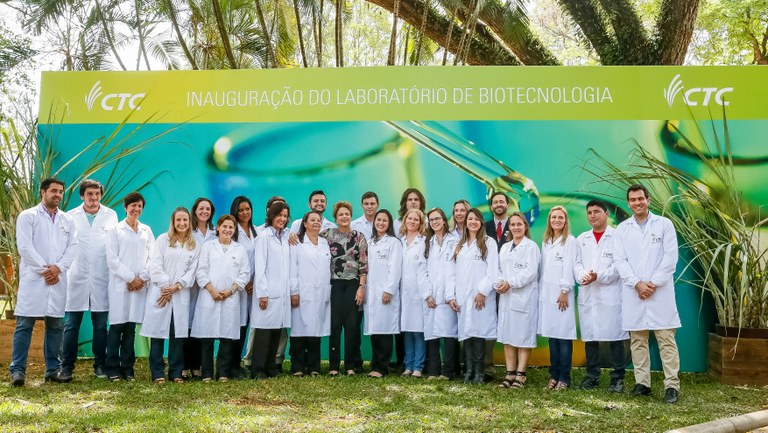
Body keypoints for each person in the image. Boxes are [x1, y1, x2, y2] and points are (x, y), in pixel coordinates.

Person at [614, 184, 681, 404]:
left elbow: (670, 258)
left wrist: (652, 283)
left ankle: (672, 386)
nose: (637, 203)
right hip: (634, 292)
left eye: (640, 199)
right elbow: (620, 261)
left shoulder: (664, 224)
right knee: (638, 341)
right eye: (632, 200)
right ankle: (643, 383)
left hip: (659, 292)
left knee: (666, 340)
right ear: (628, 203)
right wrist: (637, 284)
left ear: (648, 200)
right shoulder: (622, 229)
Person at [9, 177, 78, 386]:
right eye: (54, 191)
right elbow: (25, 247)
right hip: (35, 278)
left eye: (60, 192)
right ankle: (18, 370)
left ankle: (52, 370)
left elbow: (72, 247)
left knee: (56, 325)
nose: (57, 195)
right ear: (43, 192)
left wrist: (57, 268)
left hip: (57, 278)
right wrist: (45, 270)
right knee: (25, 324)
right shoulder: (28, 216)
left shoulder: (68, 220)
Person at [61, 179, 118, 380]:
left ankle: (100, 365)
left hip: (101, 278)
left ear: (100, 195)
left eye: (97, 194)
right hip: (77, 277)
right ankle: (66, 366)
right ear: (82, 196)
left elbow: (112, 247)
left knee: (101, 326)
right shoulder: (70, 217)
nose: (93, 198)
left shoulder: (110, 215)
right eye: (89, 194)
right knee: (71, 325)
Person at [141, 207, 201, 383]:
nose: (182, 223)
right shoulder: (163, 240)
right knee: (158, 335)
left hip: (180, 294)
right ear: (173, 222)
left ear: (190, 222)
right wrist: (167, 287)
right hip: (161, 292)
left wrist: (177, 286)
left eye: (185, 220)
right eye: (178, 220)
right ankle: (157, 372)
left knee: (177, 336)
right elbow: (155, 266)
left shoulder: (194, 245)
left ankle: (175, 372)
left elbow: (193, 271)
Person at [574, 199, 628, 393]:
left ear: (606, 214)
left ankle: (617, 378)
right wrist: (582, 275)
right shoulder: (582, 238)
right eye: (589, 212)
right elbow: (577, 263)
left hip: (610, 294)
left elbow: (620, 266)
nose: (593, 216)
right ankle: (592, 376)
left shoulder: (617, 236)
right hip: (589, 294)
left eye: (597, 211)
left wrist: (600, 276)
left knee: (615, 338)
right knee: (591, 338)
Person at [192, 215, 250, 382]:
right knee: (207, 338)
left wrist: (231, 290)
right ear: (217, 228)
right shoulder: (208, 247)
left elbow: (244, 273)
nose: (227, 230)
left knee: (227, 338)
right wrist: (212, 290)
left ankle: (223, 372)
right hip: (209, 296)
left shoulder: (239, 249)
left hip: (230, 297)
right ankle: (207, 374)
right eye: (224, 226)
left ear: (234, 230)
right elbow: (201, 271)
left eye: (231, 227)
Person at [105, 192, 154, 382]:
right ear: (125, 208)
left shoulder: (146, 230)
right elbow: (112, 260)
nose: (136, 209)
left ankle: (127, 369)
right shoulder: (115, 231)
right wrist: (130, 278)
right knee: (116, 329)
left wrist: (141, 278)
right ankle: (112, 369)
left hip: (139, 286)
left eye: (140, 206)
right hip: (121, 286)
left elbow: (152, 256)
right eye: (133, 205)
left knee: (130, 329)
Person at [446, 208, 499, 385]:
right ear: (465, 222)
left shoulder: (488, 242)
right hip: (463, 297)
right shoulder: (459, 245)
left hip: (480, 298)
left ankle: (479, 372)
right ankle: (468, 371)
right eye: (470, 219)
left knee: (479, 334)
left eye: (477, 219)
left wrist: (482, 291)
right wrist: (451, 295)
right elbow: (451, 273)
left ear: (481, 222)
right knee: (466, 334)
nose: (473, 222)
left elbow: (493, 271)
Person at [496, 212, 540, 389]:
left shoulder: (531, 247)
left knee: (523, 336)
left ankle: (521, 374)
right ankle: (509, 372)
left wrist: (510, 283)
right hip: (506, 297)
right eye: (512, 224)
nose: (516, 227)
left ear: (525, 226)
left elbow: (530, 272)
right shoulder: (505, 247)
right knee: (507, 336)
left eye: (519, 224)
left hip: (524, 297)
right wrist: (500, 282)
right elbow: (499, 269)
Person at [324, 201, 368, 376]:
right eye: (340, 214)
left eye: (347, 214)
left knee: (352, 326)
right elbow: (309, 239)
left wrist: (361, 287)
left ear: (350, 216)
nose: (344, 217)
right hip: (334, 285)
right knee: (334, 326)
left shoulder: (359, 237)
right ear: (335, 218)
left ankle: (350, 366)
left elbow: (363, 264)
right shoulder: (327, 235)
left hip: (353, 285)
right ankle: (334, 366)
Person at [250, 201, 291, 379]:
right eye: (279, 215)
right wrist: (263, 293)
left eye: (285, 216)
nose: (282, 219)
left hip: (281, 293)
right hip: (267, 292)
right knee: (263, 332)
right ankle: (258, 369)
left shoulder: (286, 237)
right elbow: (260, 267)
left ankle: (270, 368)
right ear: (271, 216)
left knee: (276, 330)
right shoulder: (263, 237)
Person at [538, 206, 577, 391]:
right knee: (552, 338)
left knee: (564, 337)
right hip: (547, 295)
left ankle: (564, 378)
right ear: (549, 220)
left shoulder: (570, 241)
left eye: (560, 217)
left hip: (562, 296)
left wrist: (564, 290)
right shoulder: (546, 241)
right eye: (553, 217)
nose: (556, 220)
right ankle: (553, 375)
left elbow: (569, 267)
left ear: (565, 220)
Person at [289, 211, 332, 376]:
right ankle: (298, 366)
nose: (316, 222)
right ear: (305, 223)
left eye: (318, 220)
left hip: (320, 294)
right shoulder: (297, 242)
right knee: (299, 330)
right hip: (302, 292)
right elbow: (293, 268)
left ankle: (314, 367)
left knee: (316, 330)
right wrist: (294, 291)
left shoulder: (324, 243)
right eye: (312, 220)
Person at [363, 209, 402, 378]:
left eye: (384, 220)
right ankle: (375, 364)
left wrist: (389, 290)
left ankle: (382, 367)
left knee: (384, 331)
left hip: (385, 293)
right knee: (375, 331)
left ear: (389, 223)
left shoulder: (393, 242)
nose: (380, 223)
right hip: (371, 294)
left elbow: (395, 269)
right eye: (378, 220)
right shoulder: (370, 242)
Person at [424, 208, 460, 380]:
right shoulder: (427, 242)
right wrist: (427, 293)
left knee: (449, 334)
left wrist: (450, 294)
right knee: (431, 333)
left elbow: (455, 270)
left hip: (448, 295)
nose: (435, 222)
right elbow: (421, 270)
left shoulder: (454, 241)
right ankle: (433, 370)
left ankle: (448, 371)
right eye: (431, 220)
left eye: (437, 218)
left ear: (444, 220)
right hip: (431, 295)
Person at [184, 197, 216, 380]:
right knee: (187, 326)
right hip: (189, 285)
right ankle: (185, 366)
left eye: (208, 209)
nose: (205, 211)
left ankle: (197, 366)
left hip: (207, 285)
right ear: (194, 210)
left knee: (202, 325)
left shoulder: (215, 232)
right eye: (201, 208)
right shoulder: (188, 231)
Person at [399, 208, 430, 378]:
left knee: (419, 331)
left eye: (416, 219)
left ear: (421, 223)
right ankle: (408, 365)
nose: (412, 221)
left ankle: (418, 366)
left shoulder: (424, 241)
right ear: (405, 221)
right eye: (409, 218)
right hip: (403, 292)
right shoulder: (400, 241)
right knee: (407, 330)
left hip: (418, 293)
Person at [483, 191, 511, 379]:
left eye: (502, 201)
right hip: (490, 282)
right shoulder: (484, 226)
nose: (498, 204)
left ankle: (513, 367)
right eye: (495, 202)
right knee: (488, 323)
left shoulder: (517, 223)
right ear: (491, 206)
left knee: (510, 322)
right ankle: (487, 365)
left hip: (510, 283)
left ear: (508, 205)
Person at [230, 196, 256, 378]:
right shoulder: (233, 232)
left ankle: (237, 363)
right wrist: (245, 282)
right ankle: (231, 364)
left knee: (245, 324)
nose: (245, 212)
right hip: (239, 286)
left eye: (247, 209)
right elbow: (232, 261)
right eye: (241, 210)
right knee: (235, 326)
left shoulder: (255, 231)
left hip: (253, 287)